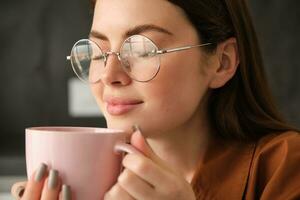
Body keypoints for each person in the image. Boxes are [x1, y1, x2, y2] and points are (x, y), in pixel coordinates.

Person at [11, 0, 300, 199]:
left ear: (222, 62)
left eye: (142, 49)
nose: (110, 75)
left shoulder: (284, 167)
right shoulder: (93, 183)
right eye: (98, 52)